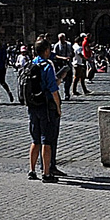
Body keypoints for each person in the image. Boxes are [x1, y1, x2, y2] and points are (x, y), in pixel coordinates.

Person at [23, 37, 64, 182]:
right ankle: (46, 174)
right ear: (46, 50)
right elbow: (53, 90)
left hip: (32, 106)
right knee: (47, 140)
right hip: (46, 106)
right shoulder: (47, 65)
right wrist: (58, 107)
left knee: (35, 140)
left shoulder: (30, 64)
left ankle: (32, 170)